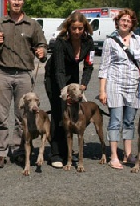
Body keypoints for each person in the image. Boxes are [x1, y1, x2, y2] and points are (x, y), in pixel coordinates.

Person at [0, 0, 47, 168]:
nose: (16, 2)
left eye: (19, 0)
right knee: (1, 115)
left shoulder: (33, 25)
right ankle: (0, 152)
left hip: (24, 74)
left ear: (23, 2)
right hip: (3, 73)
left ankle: (20, 150)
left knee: (23, 116)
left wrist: (41, 52)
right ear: (8, 1)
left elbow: (42, 45)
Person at [98, 8, 140, 170]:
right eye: (123, 20)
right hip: (115, 85)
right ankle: (113, 155)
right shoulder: (110, 41)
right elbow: (104, 67)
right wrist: (102, 90)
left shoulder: (139, 40)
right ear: (117, 21)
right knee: (115, 121)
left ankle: (128, 154)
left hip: (134, 87)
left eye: (128, 20)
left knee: (129, 122)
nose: (125, 23)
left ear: (132, 23)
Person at [44, 11, 95, 168]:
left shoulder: (89, 42)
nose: (77, 32)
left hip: (73, 76)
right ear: (69, 28)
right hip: (54, 77)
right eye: (74, 28)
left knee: (74, 111)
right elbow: (59, 69)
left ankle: (68, 150)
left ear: (85, 27)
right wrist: (63, 92)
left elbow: (89, 65)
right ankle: (56, 153)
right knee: (60, 112)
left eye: (80, 28)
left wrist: (84, 84)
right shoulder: (61, 42)